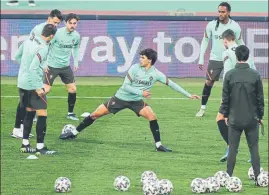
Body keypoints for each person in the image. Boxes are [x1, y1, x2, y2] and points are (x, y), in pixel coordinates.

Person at [59, 48, 200, 152]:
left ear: (149, 60)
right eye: (140, 57)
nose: (140, 59)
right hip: (120, 98)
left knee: (152, 116)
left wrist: (188, 95)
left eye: (143, 57)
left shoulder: (156, 74)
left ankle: (158, 145)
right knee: (95, 114)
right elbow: (125, 86)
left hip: (136, 102)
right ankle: (74, 133)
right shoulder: (134, 68)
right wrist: (141, 92)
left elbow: (172, 84)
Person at [11, 9, 63, 139]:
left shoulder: (50, 33)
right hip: (31, 74)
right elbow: (26, 54)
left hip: (33, 72)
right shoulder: (39, 31)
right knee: (25, 102)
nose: (56, 25)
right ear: (49, 18)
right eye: (54, 22)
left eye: (58, 23)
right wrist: (28, 67)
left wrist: (43, 65)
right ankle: (18, 128)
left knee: (27, 102)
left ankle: (23, 129)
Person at [219, 45, 264, 184]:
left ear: (236, 57)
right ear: (248, 56)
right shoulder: (255, 75)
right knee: (254, 147)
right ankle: (258, 177)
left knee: (233, 147)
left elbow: (225, 98)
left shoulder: (230, 74)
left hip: (234, 118)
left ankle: (228, 176)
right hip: (251, 118)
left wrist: (225, 114)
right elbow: (260, 99)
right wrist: (260, 116)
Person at [196, 2, 245, 117]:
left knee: (233, 83)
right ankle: (202, 109)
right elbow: (205, 41)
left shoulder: (235, 26)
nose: (220, 14)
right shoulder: (211, 25)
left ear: (228, 12)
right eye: (219, 11)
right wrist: (201, 58)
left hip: (231, 57)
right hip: (216, 59)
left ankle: (234, 110)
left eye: (223, 12)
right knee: (208, 82)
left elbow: (240, 43)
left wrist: (245, 57)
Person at [16, 24, 57, 155]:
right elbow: (33, 67)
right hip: (32, 84)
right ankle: (40, 147)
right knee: (42, 114)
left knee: (29, 112)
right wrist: (37, 88)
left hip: (22, 82)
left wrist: (36, 67)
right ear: (51, 36)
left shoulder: (28, 41)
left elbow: (18, 56)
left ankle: (25, 144)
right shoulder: (43, 48)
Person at [217, 29, 256, 162]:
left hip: (234, 93)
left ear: (226, 40)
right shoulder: (245, 53)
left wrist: (224, 98)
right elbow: (254, 72)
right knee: (248, 122)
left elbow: (228, 76)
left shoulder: (227, 53)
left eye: (223, 41)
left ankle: (231, 148)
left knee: (220, 118)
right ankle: (252, 155)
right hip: (249, 92)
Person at [43, 13, 81, 121]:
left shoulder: (76, 36)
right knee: (45, 90)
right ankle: (36, 112)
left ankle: (70, 113)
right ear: (65, 23)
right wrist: (44, 62)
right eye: (70, 23)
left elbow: (76, 48)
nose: (72, 25)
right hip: (52, 66)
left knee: (73, 89)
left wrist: (76, 62)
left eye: (74, 23)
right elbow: (47, 46)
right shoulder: (57, 33)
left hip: (65, 67)